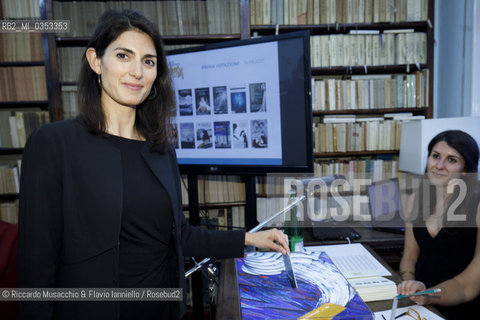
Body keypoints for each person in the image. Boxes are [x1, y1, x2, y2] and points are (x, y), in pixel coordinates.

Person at [17, 9, 289, 320]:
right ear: (95, 61)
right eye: (123, 55)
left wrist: (249, 238)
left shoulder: (161, 150)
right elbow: (35, 270)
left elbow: (180, 236)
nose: (137, 72)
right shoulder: (53, 144)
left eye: (148, 61)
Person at [397, 130, 480, 320]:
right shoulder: (415, 200)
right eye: (435, 156)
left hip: (461, 306)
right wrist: (410, 285)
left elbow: (468, 286)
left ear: (466, 170)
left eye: (451, 160)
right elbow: (409, 257)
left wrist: (426, 295)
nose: (439, 166)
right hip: (419, 306)